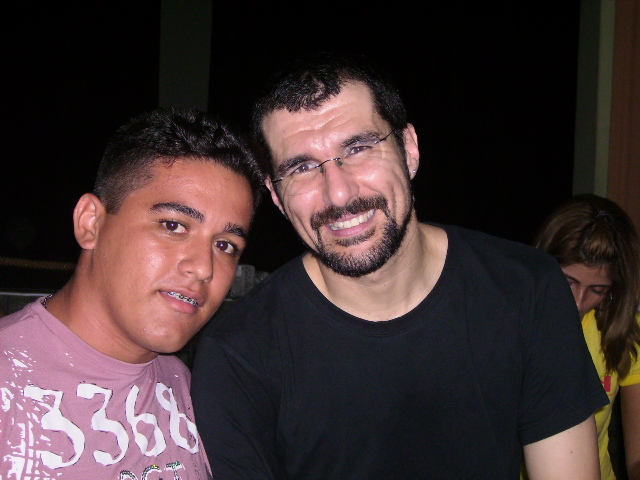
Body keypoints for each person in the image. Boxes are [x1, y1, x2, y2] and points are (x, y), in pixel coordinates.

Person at [190, 52, 608, 479]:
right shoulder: (238, 354)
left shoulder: (526, 288)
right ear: (277, 197)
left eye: (358, 148)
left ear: (408, 150)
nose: (338, 193)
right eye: (302, 167)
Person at [0, 107, 262, 479]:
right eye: (173, 225)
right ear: (91, 223)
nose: (204, 268)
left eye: (225, 245)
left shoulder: (189, 389)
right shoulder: (8, 380)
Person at [534, 194, 640, 480]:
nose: (578, 303)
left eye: (597, 290)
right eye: (568, 282)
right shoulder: (507, 323)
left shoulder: (623, 330)